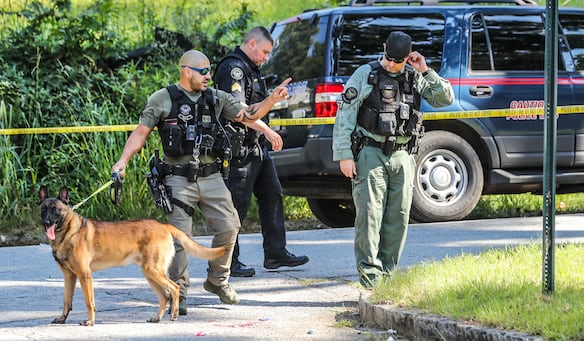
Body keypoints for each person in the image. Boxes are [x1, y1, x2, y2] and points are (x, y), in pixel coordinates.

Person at [112, 49, 291, 314]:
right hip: (177, 178)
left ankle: (217, 281)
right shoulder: (163, 99)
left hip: (211, 175)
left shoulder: (216, 98)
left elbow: (249, 115)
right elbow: (140, 133)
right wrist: (122, 161)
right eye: (203, 71)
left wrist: (271, 100)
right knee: (179, 238)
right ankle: (179, 293)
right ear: (186, 71)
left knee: (230, 227)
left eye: (209, 70)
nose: (209, 75)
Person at [332, 31, 454, 288]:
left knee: (398, 216)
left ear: (408, 57)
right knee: (369, 215)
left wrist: (426, 70)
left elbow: (445, 99)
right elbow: (345, 115)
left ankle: (387, 275)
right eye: (389, 59)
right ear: (384, 48)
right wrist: (344, 155)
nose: (392, 65)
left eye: (398, 61)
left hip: (403, 154)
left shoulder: (414, 76)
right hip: (370, 151)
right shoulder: (366, 74)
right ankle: (370, 276)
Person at [213, 26, 309, 277]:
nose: (266, 57)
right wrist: (267, 130)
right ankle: (226, 262)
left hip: (255, 147)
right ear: (252, 43)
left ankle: (275, 253)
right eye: (265, 51)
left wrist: (274, 100)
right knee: (236, 205)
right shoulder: (232, 68)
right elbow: (238, 110)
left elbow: (256, 106)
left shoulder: (252, 69)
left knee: (273, 194)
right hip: (237, 150)